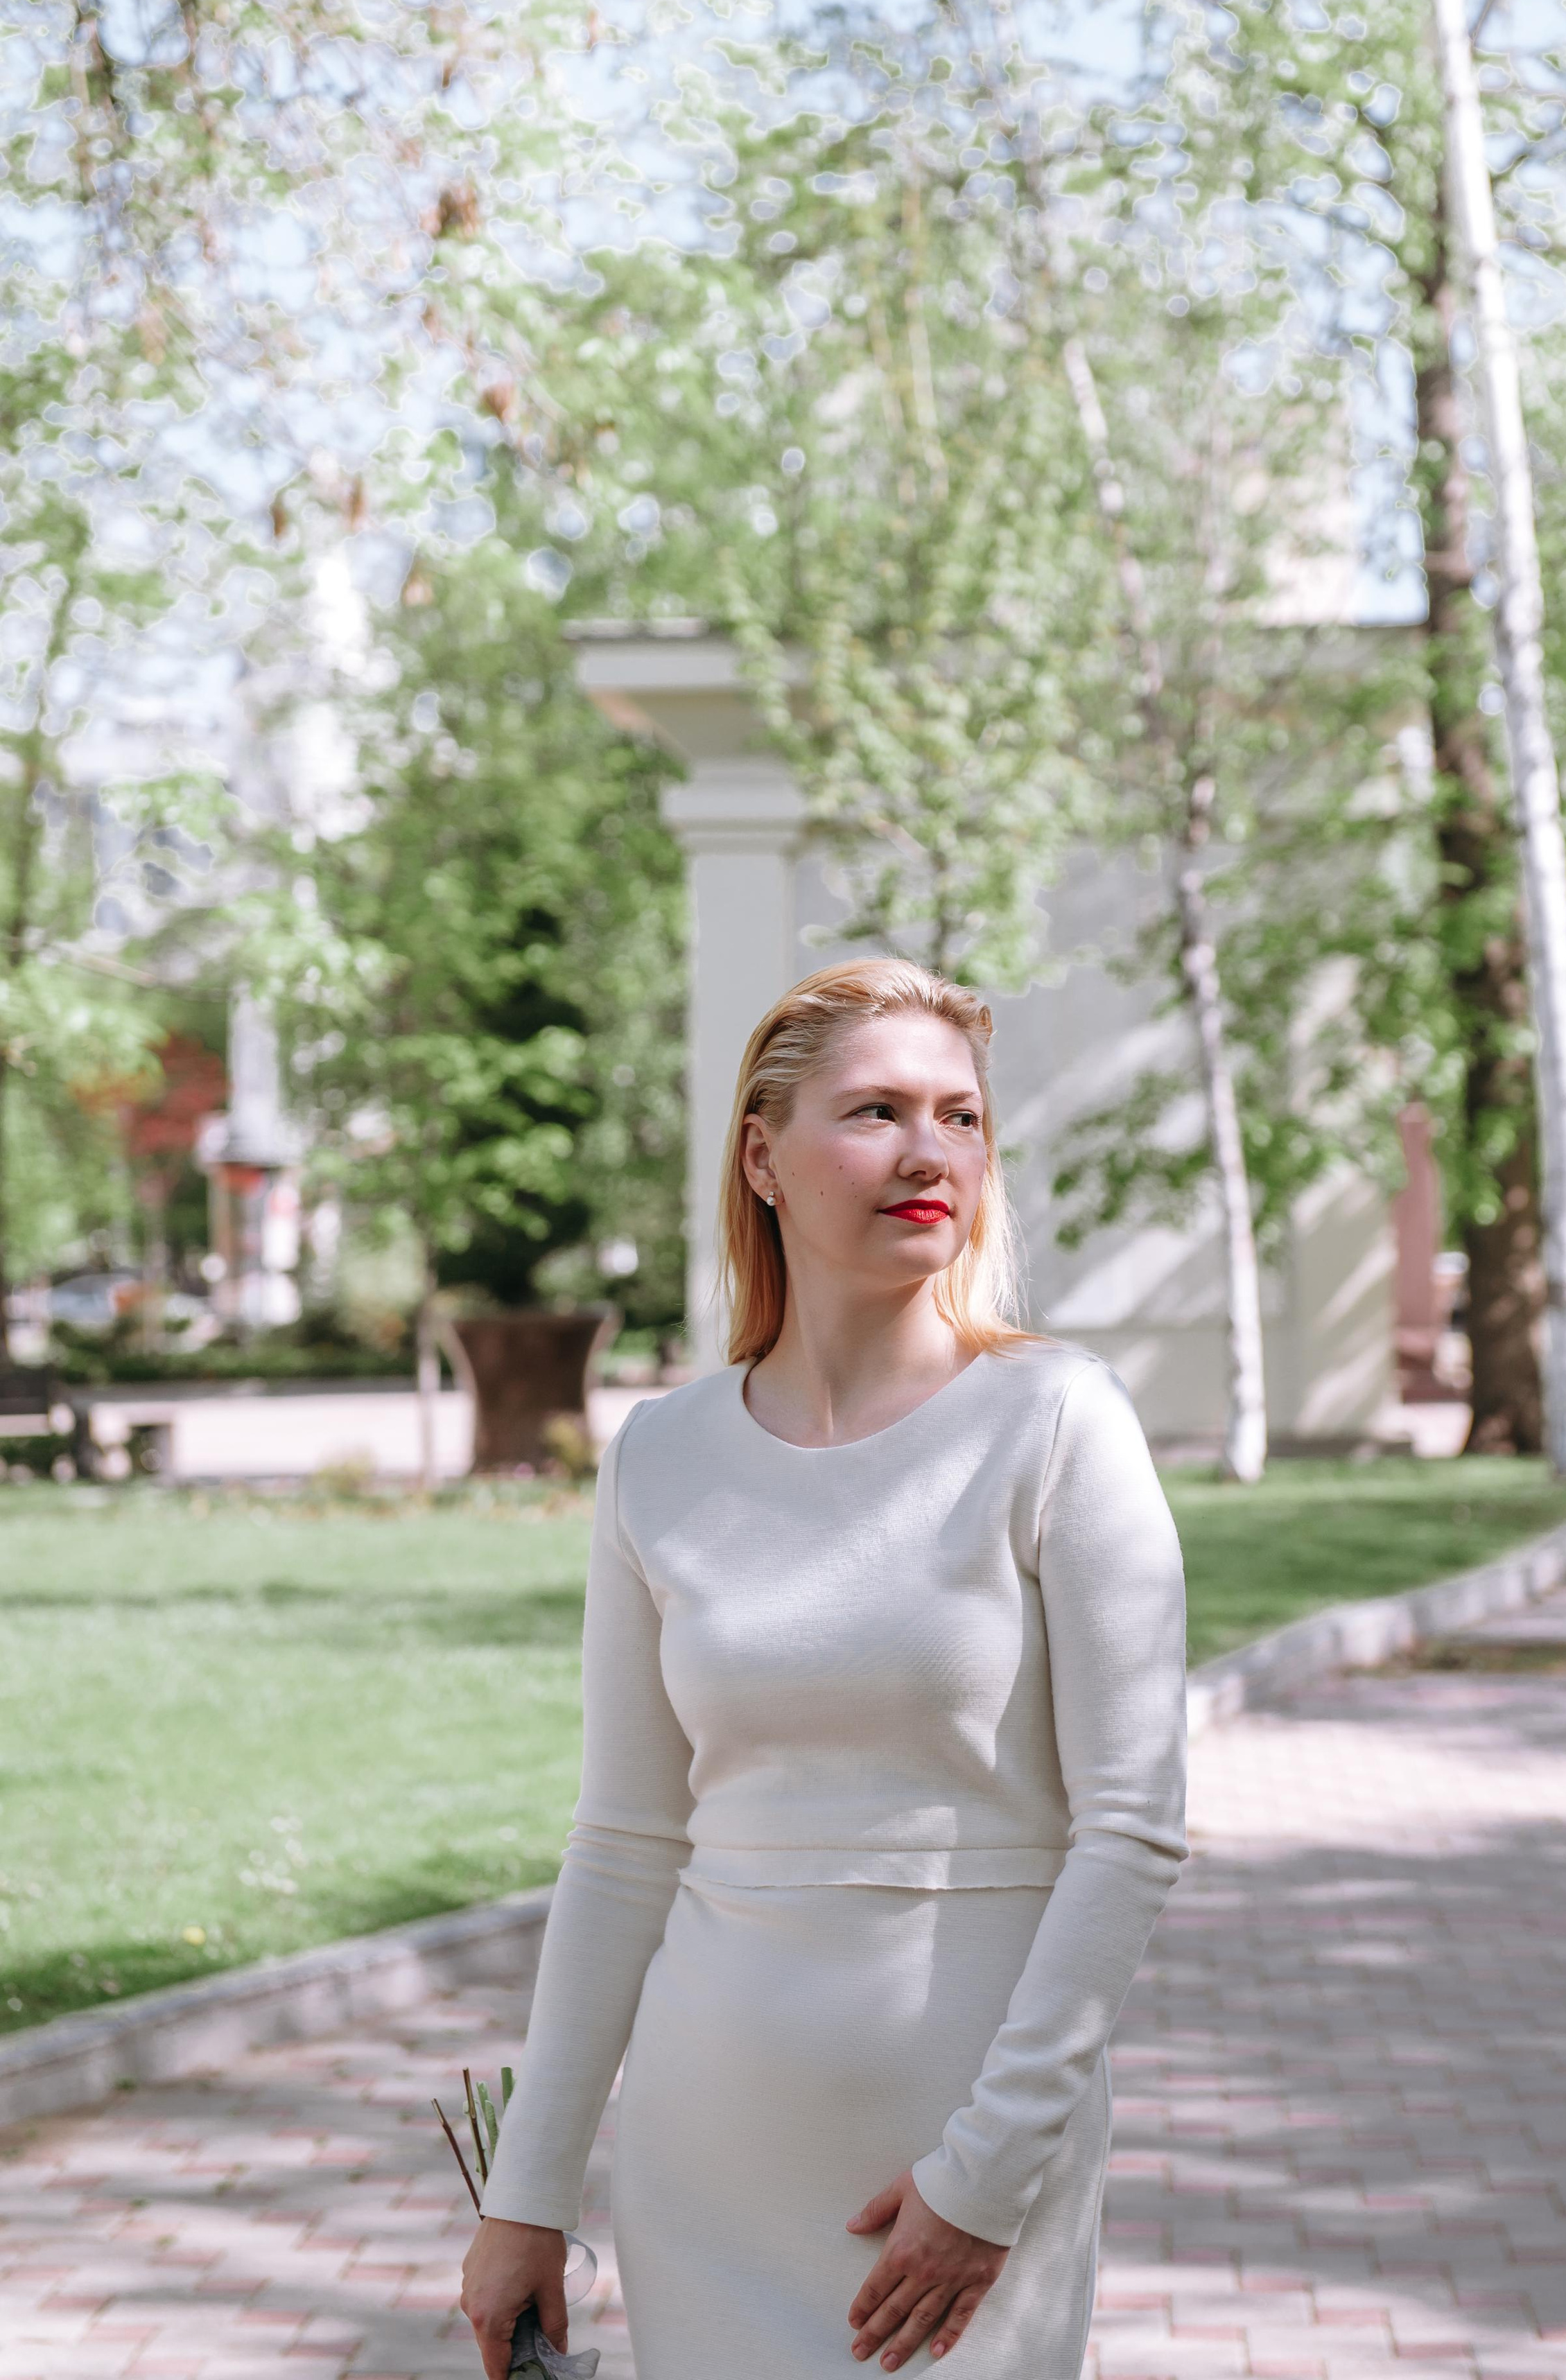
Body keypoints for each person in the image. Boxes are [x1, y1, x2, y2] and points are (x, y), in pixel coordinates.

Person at [460, 959, 1188, 2380]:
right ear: (761, 1155)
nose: (930, 1153)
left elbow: (1133, 1828)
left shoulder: (1056, 1421)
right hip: (706, 2152)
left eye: (961, 1117)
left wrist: (982, 2178)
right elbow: (621, 1845)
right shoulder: (660, 1456)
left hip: (970, 2144)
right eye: (875, 1111)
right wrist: (527, 2195)